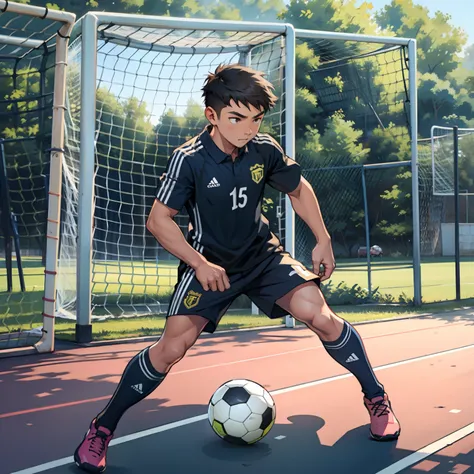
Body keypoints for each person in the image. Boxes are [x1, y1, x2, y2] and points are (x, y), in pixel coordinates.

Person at [74, 63, 400, 473]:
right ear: (212, 115)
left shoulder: (264, 149)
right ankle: (101, 428)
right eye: (236, 118)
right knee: (171, 348)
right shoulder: (188, 160)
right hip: (209, 264)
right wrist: (199, 263)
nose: (248, 128)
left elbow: (299, 189)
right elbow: (158, 220)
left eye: (256, 118)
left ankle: (376, 397)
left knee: (322, 317)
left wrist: (323, 238)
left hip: (262, 258)